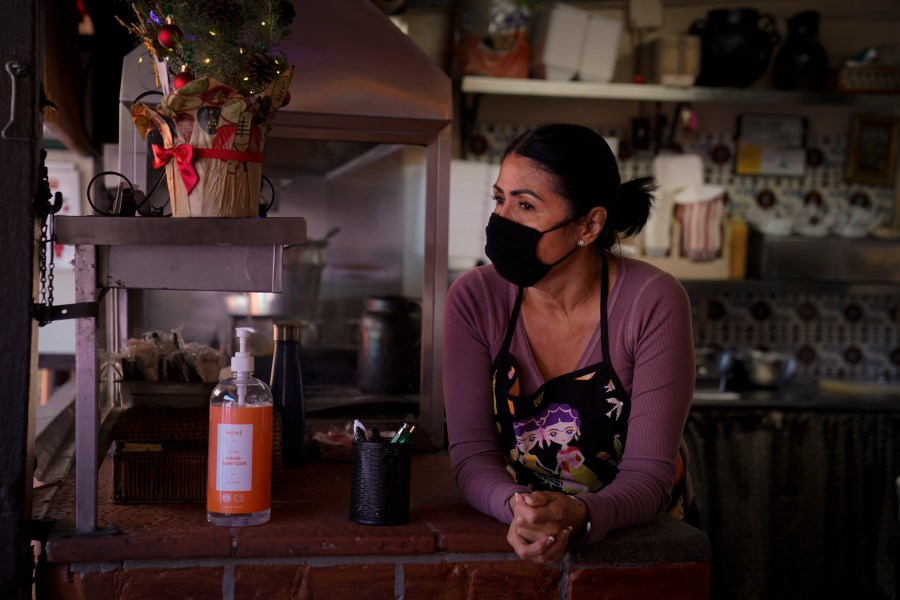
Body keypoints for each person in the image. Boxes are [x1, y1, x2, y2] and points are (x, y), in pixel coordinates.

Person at [443, 123, 695, 564]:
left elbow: (648, 475)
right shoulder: (475, 298)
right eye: (500, 199)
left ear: (589, 225)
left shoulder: (651, 302)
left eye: (526, 205)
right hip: (525, 532)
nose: (502, 220)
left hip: (641, 546)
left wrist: (578, 515)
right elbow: (472, 453)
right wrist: (519, 507)